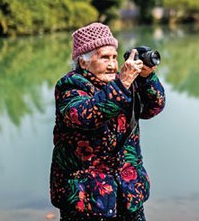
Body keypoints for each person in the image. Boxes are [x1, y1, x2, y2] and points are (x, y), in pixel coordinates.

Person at [50, 22, 166, 221]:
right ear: (83, 62)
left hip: (128, 192)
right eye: (104, 57)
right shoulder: (70, 86)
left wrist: (146, 78)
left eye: (114, 57)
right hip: (87, 200)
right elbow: (85, 116)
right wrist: (123, 84)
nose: (113, 64)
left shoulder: (122, 82)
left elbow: (153, 107)